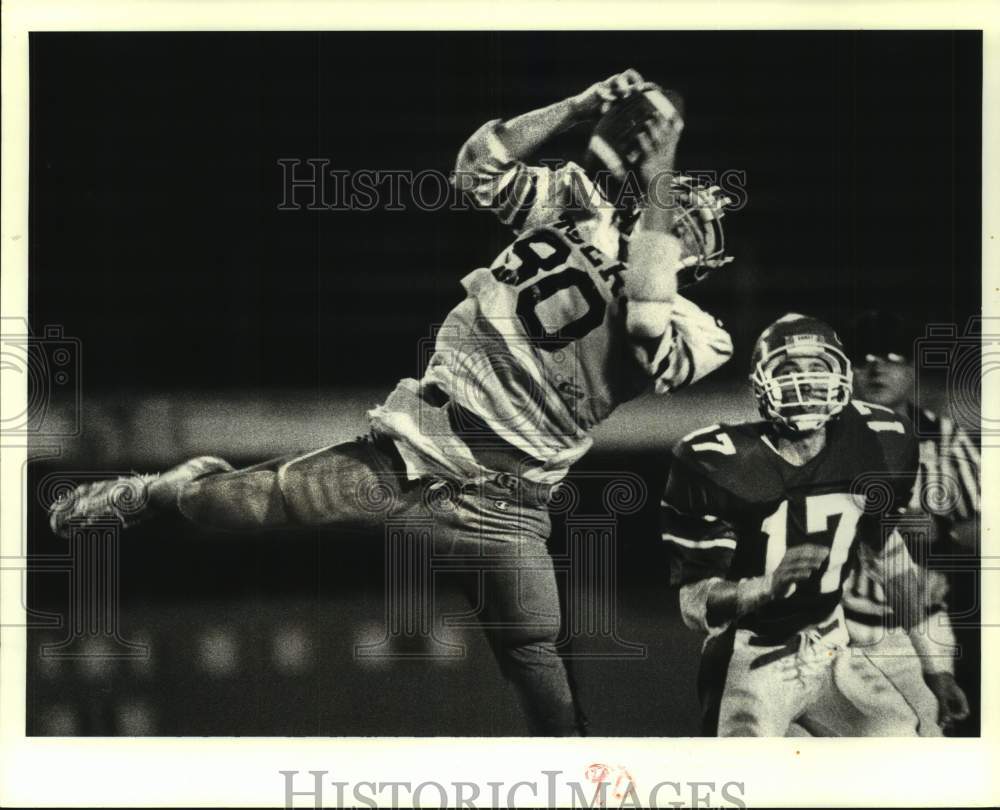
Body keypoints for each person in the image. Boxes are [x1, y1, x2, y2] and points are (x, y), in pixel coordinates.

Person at [51, 70, 735, 736]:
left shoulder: (702, 332)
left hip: (508, 496)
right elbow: (478, 170)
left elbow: (645, 317)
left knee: (533, 655)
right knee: (234, 504)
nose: (692, 218)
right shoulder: (579, 207)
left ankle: (572, 781)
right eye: (684, 206)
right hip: (411, 449)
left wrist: (662, 170)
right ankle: (160, 487)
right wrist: (578, 105)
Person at [661, 312, 949, 736]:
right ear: (762, 382)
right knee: (745, 778)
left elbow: (888, 556)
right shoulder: (715, 461)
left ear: (839, 375)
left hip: (832, 649)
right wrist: (764, 586)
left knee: (903, 751)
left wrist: (937, 667)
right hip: (750, 656)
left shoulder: (880, 439)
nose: (805, 381)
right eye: (789, 369)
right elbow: (694, 604)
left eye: (818, 367)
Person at [836, 310, 976, 735]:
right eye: (864, 357)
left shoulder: (945, 438)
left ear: (913, 369)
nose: (877, 366)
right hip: (831, 626)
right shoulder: (824, 437)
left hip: (914, 630)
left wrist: (940, 531)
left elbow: (982, 531)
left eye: (893, 356)